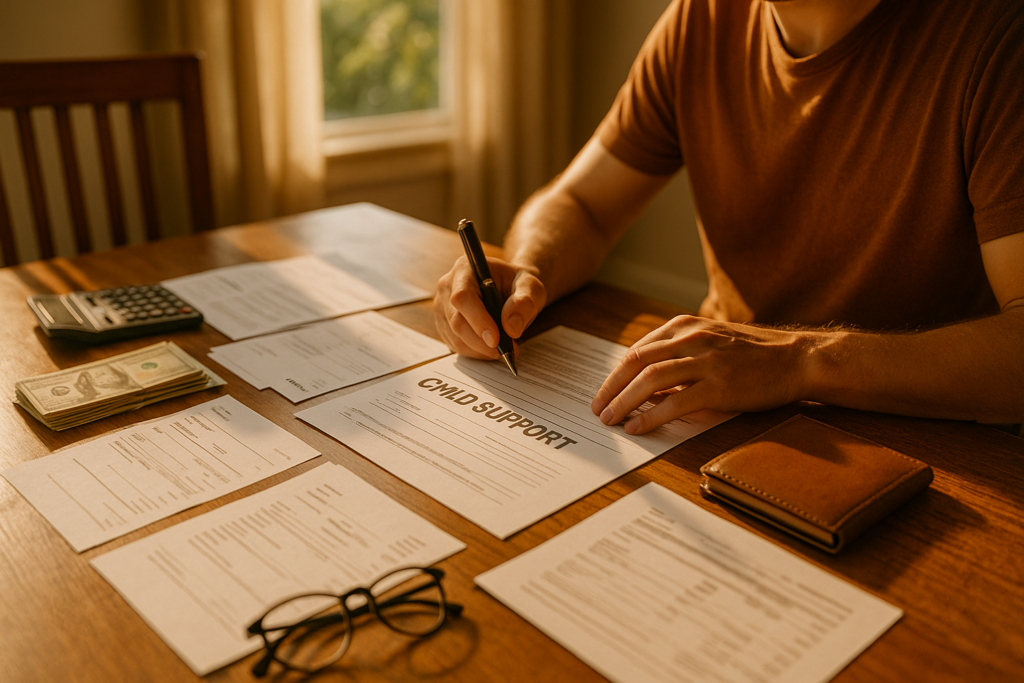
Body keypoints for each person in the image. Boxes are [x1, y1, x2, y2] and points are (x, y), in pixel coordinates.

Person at [434, 0, 1024, 435]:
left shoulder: (995, 37)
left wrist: (798, 359)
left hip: (915, 446)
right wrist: (527, 269)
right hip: (709, 415)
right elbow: (579, 204)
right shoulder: (702, 20)